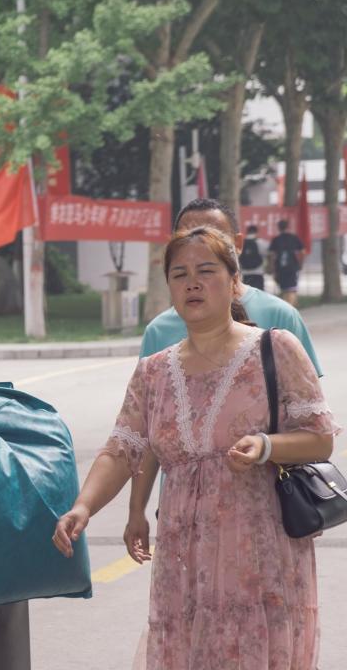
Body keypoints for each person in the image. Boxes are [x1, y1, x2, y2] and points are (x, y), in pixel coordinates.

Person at [53, 226, 340, 669]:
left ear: (233, 281)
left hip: (259, 554)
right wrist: (83, 506)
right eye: (180, 274)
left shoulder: (276, 348)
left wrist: (266, 446)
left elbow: (320, 439)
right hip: (183, 561)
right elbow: (122, 448)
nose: (192, 283)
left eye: (206, 271)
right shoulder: (153, 372)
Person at [128, 198, 321, 563]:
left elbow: (312, 427)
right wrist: (136, 508)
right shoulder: (159, 335)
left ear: (236, 246)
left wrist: (266, 447)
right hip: (183, 508)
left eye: (213, 236)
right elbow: (145, 434)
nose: (199, 243)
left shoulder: (281, 322)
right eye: (188, 235)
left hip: (266, 514)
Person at [269, 218, 306, 306]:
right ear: (287, 227)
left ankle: (287, 306)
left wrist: (272, 268)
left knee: (284, 289)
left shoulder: (276, 239)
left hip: (280, 267)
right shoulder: (294, 238)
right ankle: (291, 306)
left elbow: (272, 255)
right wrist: (301, 263)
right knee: (292, 288)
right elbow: (303, 252)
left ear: (278, 228)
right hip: (293, 266)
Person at [238, 223, 266, 291]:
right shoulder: (260, 242)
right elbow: (267, 253)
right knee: (259, 294)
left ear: (247, 232)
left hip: (245, 273)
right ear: (256, 232)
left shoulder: (242, 243)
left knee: (248, 294)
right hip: (258, 273)